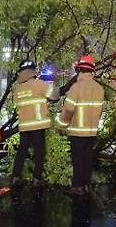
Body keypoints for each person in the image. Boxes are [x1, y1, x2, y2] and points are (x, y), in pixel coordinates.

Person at [56, 55, 104, 195]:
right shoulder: (99, 89)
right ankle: (86, 186)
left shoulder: (76, 88)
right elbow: (99, 112)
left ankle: (77, 187)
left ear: (79, 70)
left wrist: (61, 124)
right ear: (91, 70)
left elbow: (68, 110)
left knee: (77, 160)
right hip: (91, 132)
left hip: (77, 132)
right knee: (87, 159)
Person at [12, 60, 58, 186]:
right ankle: (37, 178)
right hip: (38, 125)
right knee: (39, 152)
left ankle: (15, 176)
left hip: (24, 126)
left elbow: (18, 104)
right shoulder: (40, 84)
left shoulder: (18, 89)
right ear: (33, 71)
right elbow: (55, 95)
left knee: (22, 151)